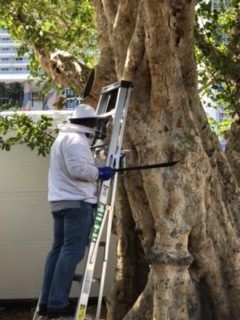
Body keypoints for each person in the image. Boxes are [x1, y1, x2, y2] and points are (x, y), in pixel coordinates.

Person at [38, 104, 114, 319]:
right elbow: (79, 170)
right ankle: (57, 304)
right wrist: (99, 172)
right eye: (95, 122)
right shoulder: (76, 140)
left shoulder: (65, 138)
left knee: (59, 251)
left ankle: (47, 302)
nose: (97, 126)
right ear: (88, 123)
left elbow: (79, 164)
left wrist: (97, 165)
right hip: (76, 203)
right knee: (72, 252)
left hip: (61, 202)